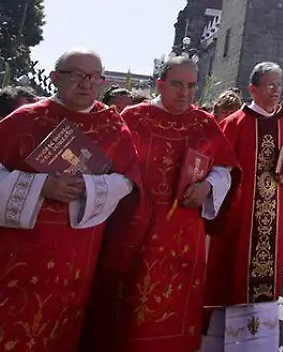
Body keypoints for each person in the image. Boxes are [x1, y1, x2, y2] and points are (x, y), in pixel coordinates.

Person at [0, 48, 143, 352]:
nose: (86, 83)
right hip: (9, 252)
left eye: (94, 77)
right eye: (76, 74)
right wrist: (42, 186)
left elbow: (127, 181)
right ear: (54, 78)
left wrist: (89, 187)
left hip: (74, 255)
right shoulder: (25, 119)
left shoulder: (114, 127)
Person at [84, 56, 239, 352]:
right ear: (160, 84)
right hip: (134, 232)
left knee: (175, 313)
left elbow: (225, 169)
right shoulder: (132, 118)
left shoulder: (203, 123)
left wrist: (208, 186)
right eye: (177, 84)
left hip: (184, 238)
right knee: (128, 318)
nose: (185, 93)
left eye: (192, 86)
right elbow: (103, 163)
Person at [201, 62, 283, 352]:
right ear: (253, 89)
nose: (276, 91)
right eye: (270, 85)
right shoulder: (233, 124)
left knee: (266, 286)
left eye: (279, 85)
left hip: (276, 222)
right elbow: (216, 167)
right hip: (239, 221)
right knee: (233, 280)